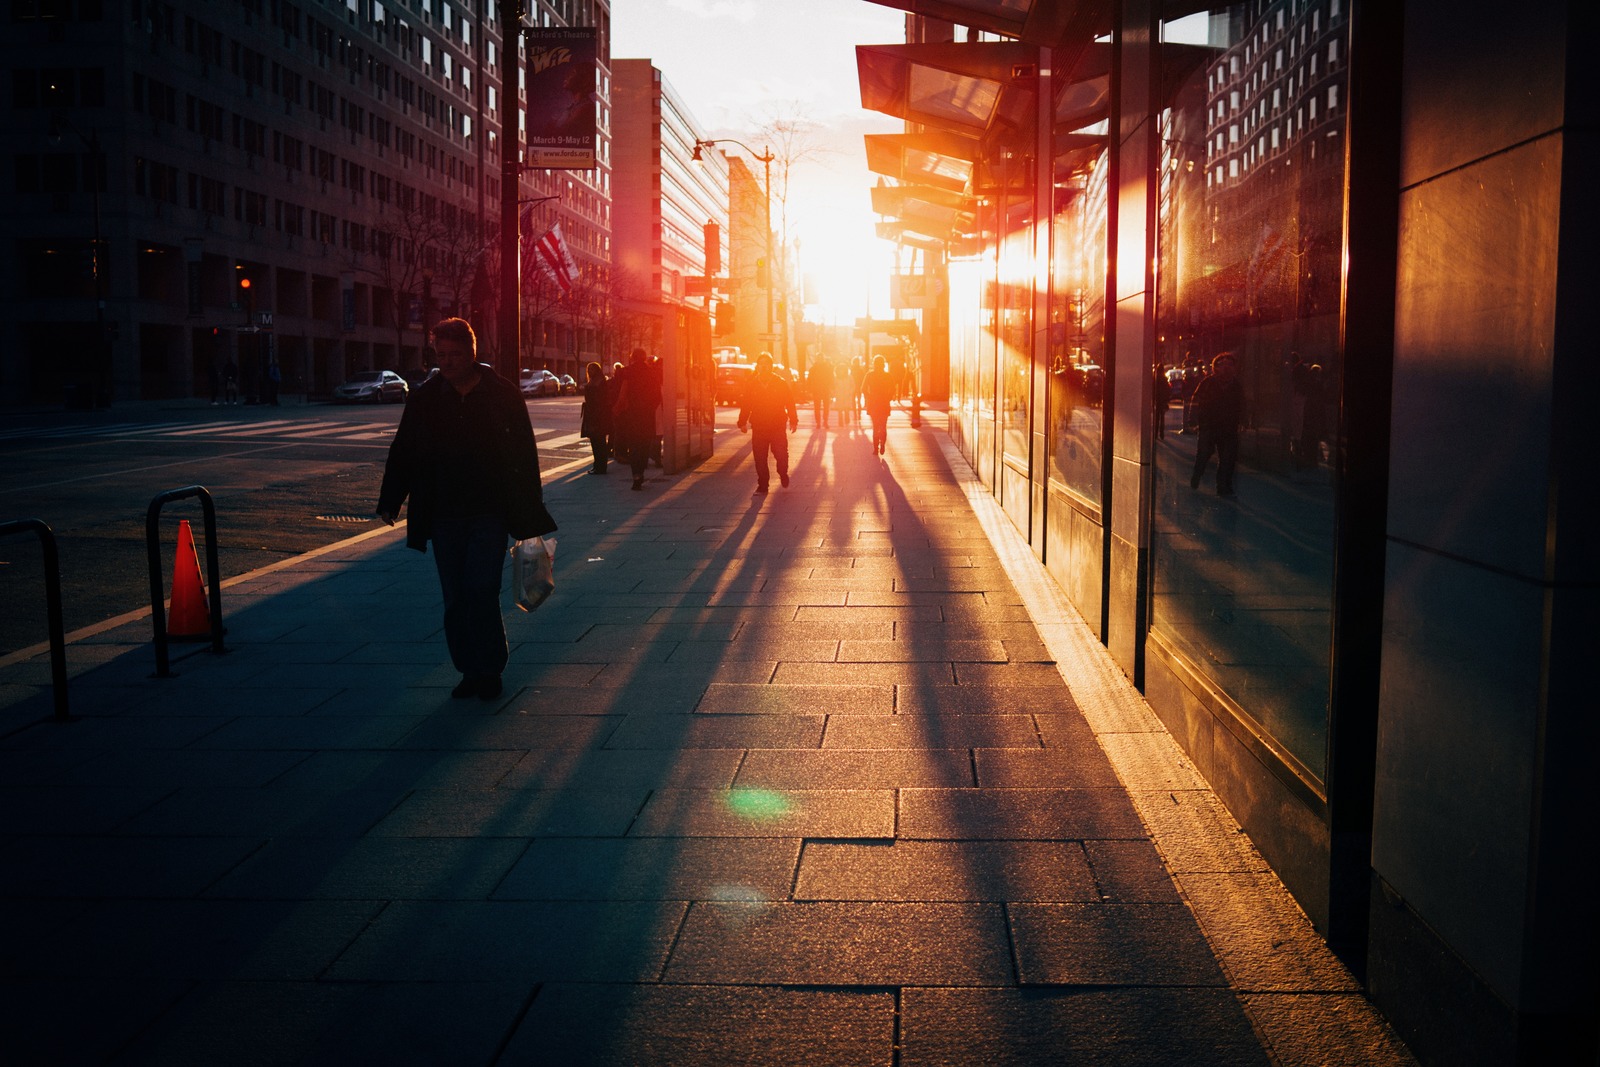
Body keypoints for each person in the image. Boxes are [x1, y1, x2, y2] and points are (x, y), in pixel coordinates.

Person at [375, 318, 557, 700]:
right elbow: (404, 449)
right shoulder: (426, 397)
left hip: (489, 511)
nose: (447, 363)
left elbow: (524, 453)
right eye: (441, 356)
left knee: (481, 588)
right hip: (443, 514)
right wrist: (391, 500)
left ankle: (489, 668)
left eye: (455, 355)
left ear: (472, 353)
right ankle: (468, 670)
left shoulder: (501, 393)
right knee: (455, 595)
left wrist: (529, 509)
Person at [736, 352, 798, 494]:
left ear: (771, 367)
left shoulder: (780, 383)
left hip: (777, 426)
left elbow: (789, 402)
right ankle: (763, 484)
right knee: (760, 457)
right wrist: (742, 422)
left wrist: (793, 420)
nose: (763, 367)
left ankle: (782, 472)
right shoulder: (752, 385)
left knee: (781, 453)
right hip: (759, 426)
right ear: (757, 367)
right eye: (761, 364)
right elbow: (746, 404)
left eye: (766, 364)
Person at [1188, 351, 1243, 498]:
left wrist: (1243, 421)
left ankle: (1224, 486)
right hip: (1209, 426)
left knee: (1228, 458)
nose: (1226, 368)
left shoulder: (1236, 386)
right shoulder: (1208, 383)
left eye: (1230, 365)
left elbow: (1242, 405)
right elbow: (1195, 400)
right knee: (1204, 454)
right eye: (1222, 365)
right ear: (1215, 367)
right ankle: (1197, 475)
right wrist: (1193, 421)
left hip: (1228, 428)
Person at [612, 347, 661, 490]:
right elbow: (657, 396)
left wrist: (619, 408)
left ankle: (636, 475)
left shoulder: (627, 372)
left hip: (632, 414)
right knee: (644, 444)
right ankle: (641, 471)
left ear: (633, 357)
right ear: (644, 357)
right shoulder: (651, 373)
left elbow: (622, 393)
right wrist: (650, 408)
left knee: (633, 445)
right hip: (646, 414)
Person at [579, 360, 612, 475]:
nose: (590, 371)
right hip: (593, 413)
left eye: (592, 369)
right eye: (589, 369)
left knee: (599, 441)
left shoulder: (600, 382)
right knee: (596, 441)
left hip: (597, 414)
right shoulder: (595, 381)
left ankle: (600, 466)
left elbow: (602, 400)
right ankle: (597, 465)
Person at [862, 354, 896, 457]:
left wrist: (869, 397)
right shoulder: (888, 376)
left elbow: (863, 388)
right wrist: (888, 397)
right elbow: (893, 388)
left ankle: (875, 448)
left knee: (875, 427)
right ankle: (882, 445)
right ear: (883, 364)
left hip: (873, 403)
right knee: (883, 426)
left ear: (874, 364)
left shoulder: (869, 375)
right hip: (884, 403)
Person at [807, 356, 835, 428]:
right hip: (821, 389)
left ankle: (823, 422)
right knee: (821, 407)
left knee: (821, 407)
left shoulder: (814, 369)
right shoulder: (826, 368)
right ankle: (821, 422)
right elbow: (831, 378)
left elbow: (809, 380)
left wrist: (832, 387)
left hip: (821, 389)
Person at [1153, 362, 1172, 440]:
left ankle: (1156, 434)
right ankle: (1161, 434)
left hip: (1157, 400)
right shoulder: (1164, 379)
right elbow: (1168, 390)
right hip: (1163, 400)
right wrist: (1167, 399)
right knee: (1162, 418)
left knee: (1156, 418)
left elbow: (1153, 390)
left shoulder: (1155, 379)